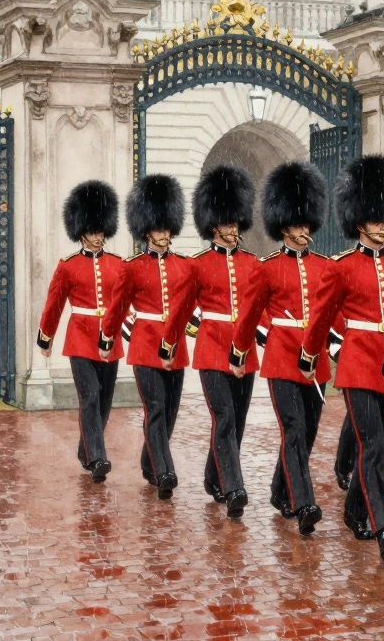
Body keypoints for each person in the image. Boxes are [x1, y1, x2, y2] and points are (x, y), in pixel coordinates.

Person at [301, 155, 384, 558]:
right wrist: (313, 354)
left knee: (380, 447)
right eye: (376, 220)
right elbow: (321, 319)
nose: (382, 227)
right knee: (371, 442)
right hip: (358, 363)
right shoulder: (341, 268)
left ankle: (353, 509)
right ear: (359, 221)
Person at [230, 162, 331, 535]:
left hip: (315, 360)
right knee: (293, 429)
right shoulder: (267, 268)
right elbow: (249, 314)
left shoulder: (323, 266)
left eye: (307, 224)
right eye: (298, 224)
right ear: (284, 226)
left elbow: (330, 315)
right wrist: (239, 351)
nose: (304, 231)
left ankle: (279, 489)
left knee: (308, 433)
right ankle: (305, 503)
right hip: (281, 357)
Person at [99, 174, 196, 501]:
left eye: (168, 228)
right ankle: (166, 471)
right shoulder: (132, 267)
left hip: (176, 348)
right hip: (144, 345)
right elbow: (117, 307)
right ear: (146, 230)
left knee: (169, 413)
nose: (165, 234)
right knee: (155, 408)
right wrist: (106, 337)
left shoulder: (184, 266)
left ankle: (149, 460)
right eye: (159, 228)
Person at [38, 180, 125, 484]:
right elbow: (54, 303)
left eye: (101, 232)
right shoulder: (68, 266)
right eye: (92, 232)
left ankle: (85, 450)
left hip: (109, 340)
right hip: (79, 339)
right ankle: (98, 458)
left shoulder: (118, 265)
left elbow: (122, 304)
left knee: (103, 402)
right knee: (90, 397)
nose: (98, 237)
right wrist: (45, 338)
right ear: (81, 232)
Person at [189, 165, 260, 518]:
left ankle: (212, 476)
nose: (233, 229)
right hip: (212, 348)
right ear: (214, 225)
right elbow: (182, 310)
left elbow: (259, 308)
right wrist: (176, 340)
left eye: (236, 223)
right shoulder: (198, 264)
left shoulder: (251, 263)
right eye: (228, 223)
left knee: (238, 421)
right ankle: (234, 488)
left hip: (245, 351)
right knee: (225, 417)